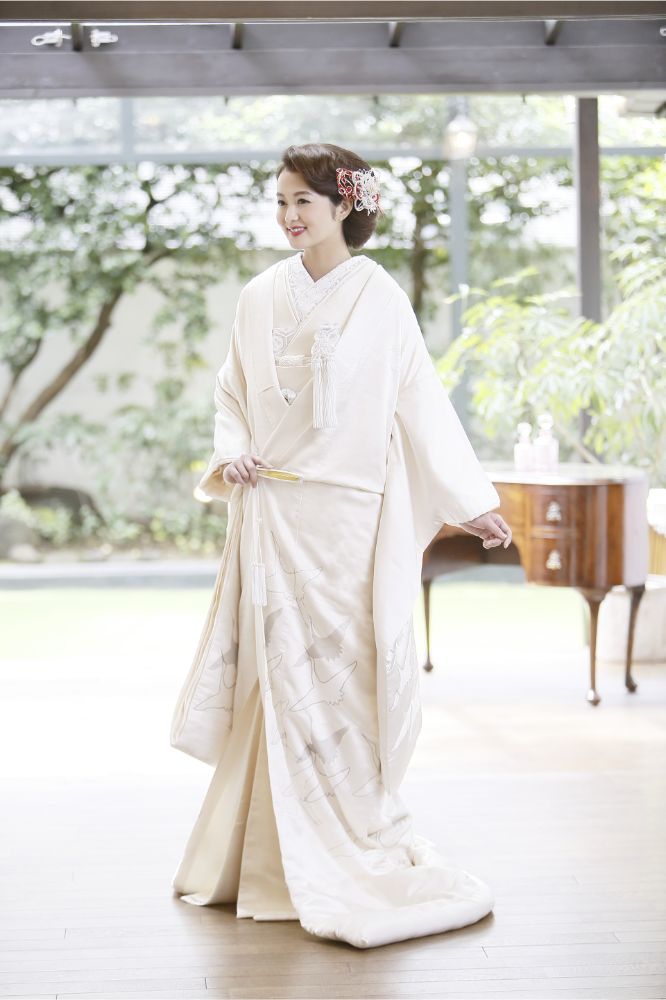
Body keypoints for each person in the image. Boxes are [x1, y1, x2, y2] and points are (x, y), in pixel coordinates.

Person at [170, 142, 512, 949]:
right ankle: (262, 864)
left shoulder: (380, 297)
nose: (289, 216)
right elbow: (230, 392)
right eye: (281, 201)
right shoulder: (259, 296)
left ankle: (344, 840)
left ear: (343, 205)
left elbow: (418, 399)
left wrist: (472, 502)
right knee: (275, 678)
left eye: (304, 201)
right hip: (274, 513)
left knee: (341, 680)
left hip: (348, 522)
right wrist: (233, 451)